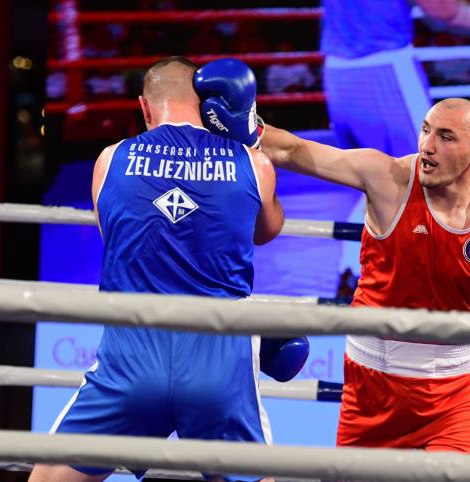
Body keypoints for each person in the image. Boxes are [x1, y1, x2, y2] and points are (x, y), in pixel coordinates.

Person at [29, 56, 284, 482]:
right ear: (207, 105)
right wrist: (246, 143)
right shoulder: (252, 164)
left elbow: (116, 236)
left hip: (130, 366)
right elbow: (268, 230)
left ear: (144, 106)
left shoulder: (110, 160)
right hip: (218, 370)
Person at [260, 98, 470, 452]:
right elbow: (292, 150)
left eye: (446, 137)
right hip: (375, 387)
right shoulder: (388, 179)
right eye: (426, 130)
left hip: (460, 393)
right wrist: (236, 124)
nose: (428, 146)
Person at [321, 0, 470, 284]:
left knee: (381, 176)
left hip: (338, 73)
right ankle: (444, 276)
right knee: (435, 171)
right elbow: (445, 11)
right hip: (384, 70)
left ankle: (353, 270)